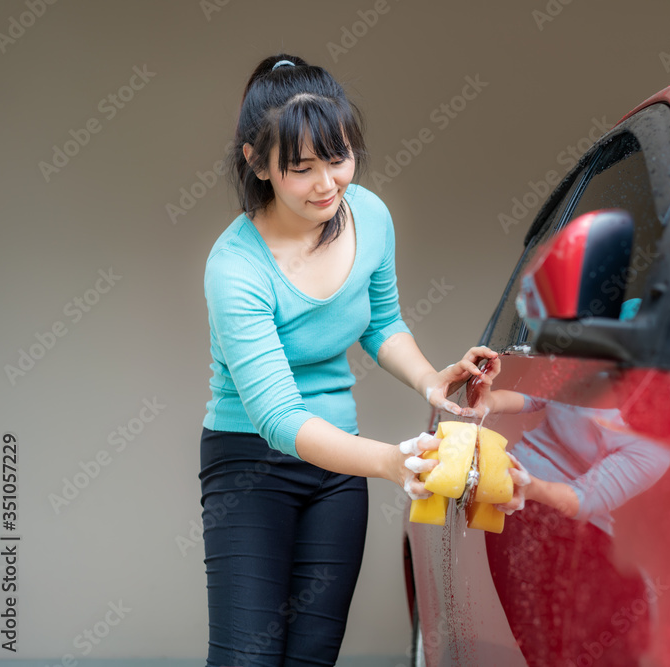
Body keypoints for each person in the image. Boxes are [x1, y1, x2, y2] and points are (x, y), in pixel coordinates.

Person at [198, 53, 497, 667]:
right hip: (251, 465)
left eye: (338, 158)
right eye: (302, 168)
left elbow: (381, 322)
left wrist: (430, 382)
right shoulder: (235, 267)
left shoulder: (370, 215)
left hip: (339, 469)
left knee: (312, 657)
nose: (327, 183)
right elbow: (279, 417)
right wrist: (389, 462)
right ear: (257, 163)